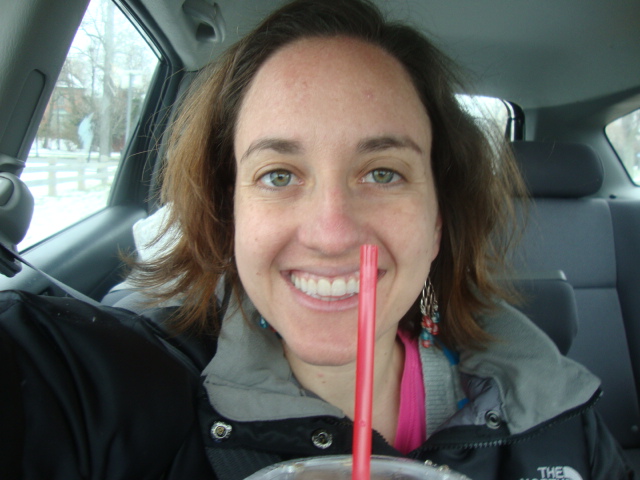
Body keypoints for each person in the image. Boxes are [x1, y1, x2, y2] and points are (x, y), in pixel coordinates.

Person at [0, 0, 635, 479]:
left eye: (382, 173)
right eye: (278, 175)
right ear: (229, 213)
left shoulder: (556, 417)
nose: (331, 233)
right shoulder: (118, 388)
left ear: (438, 220)